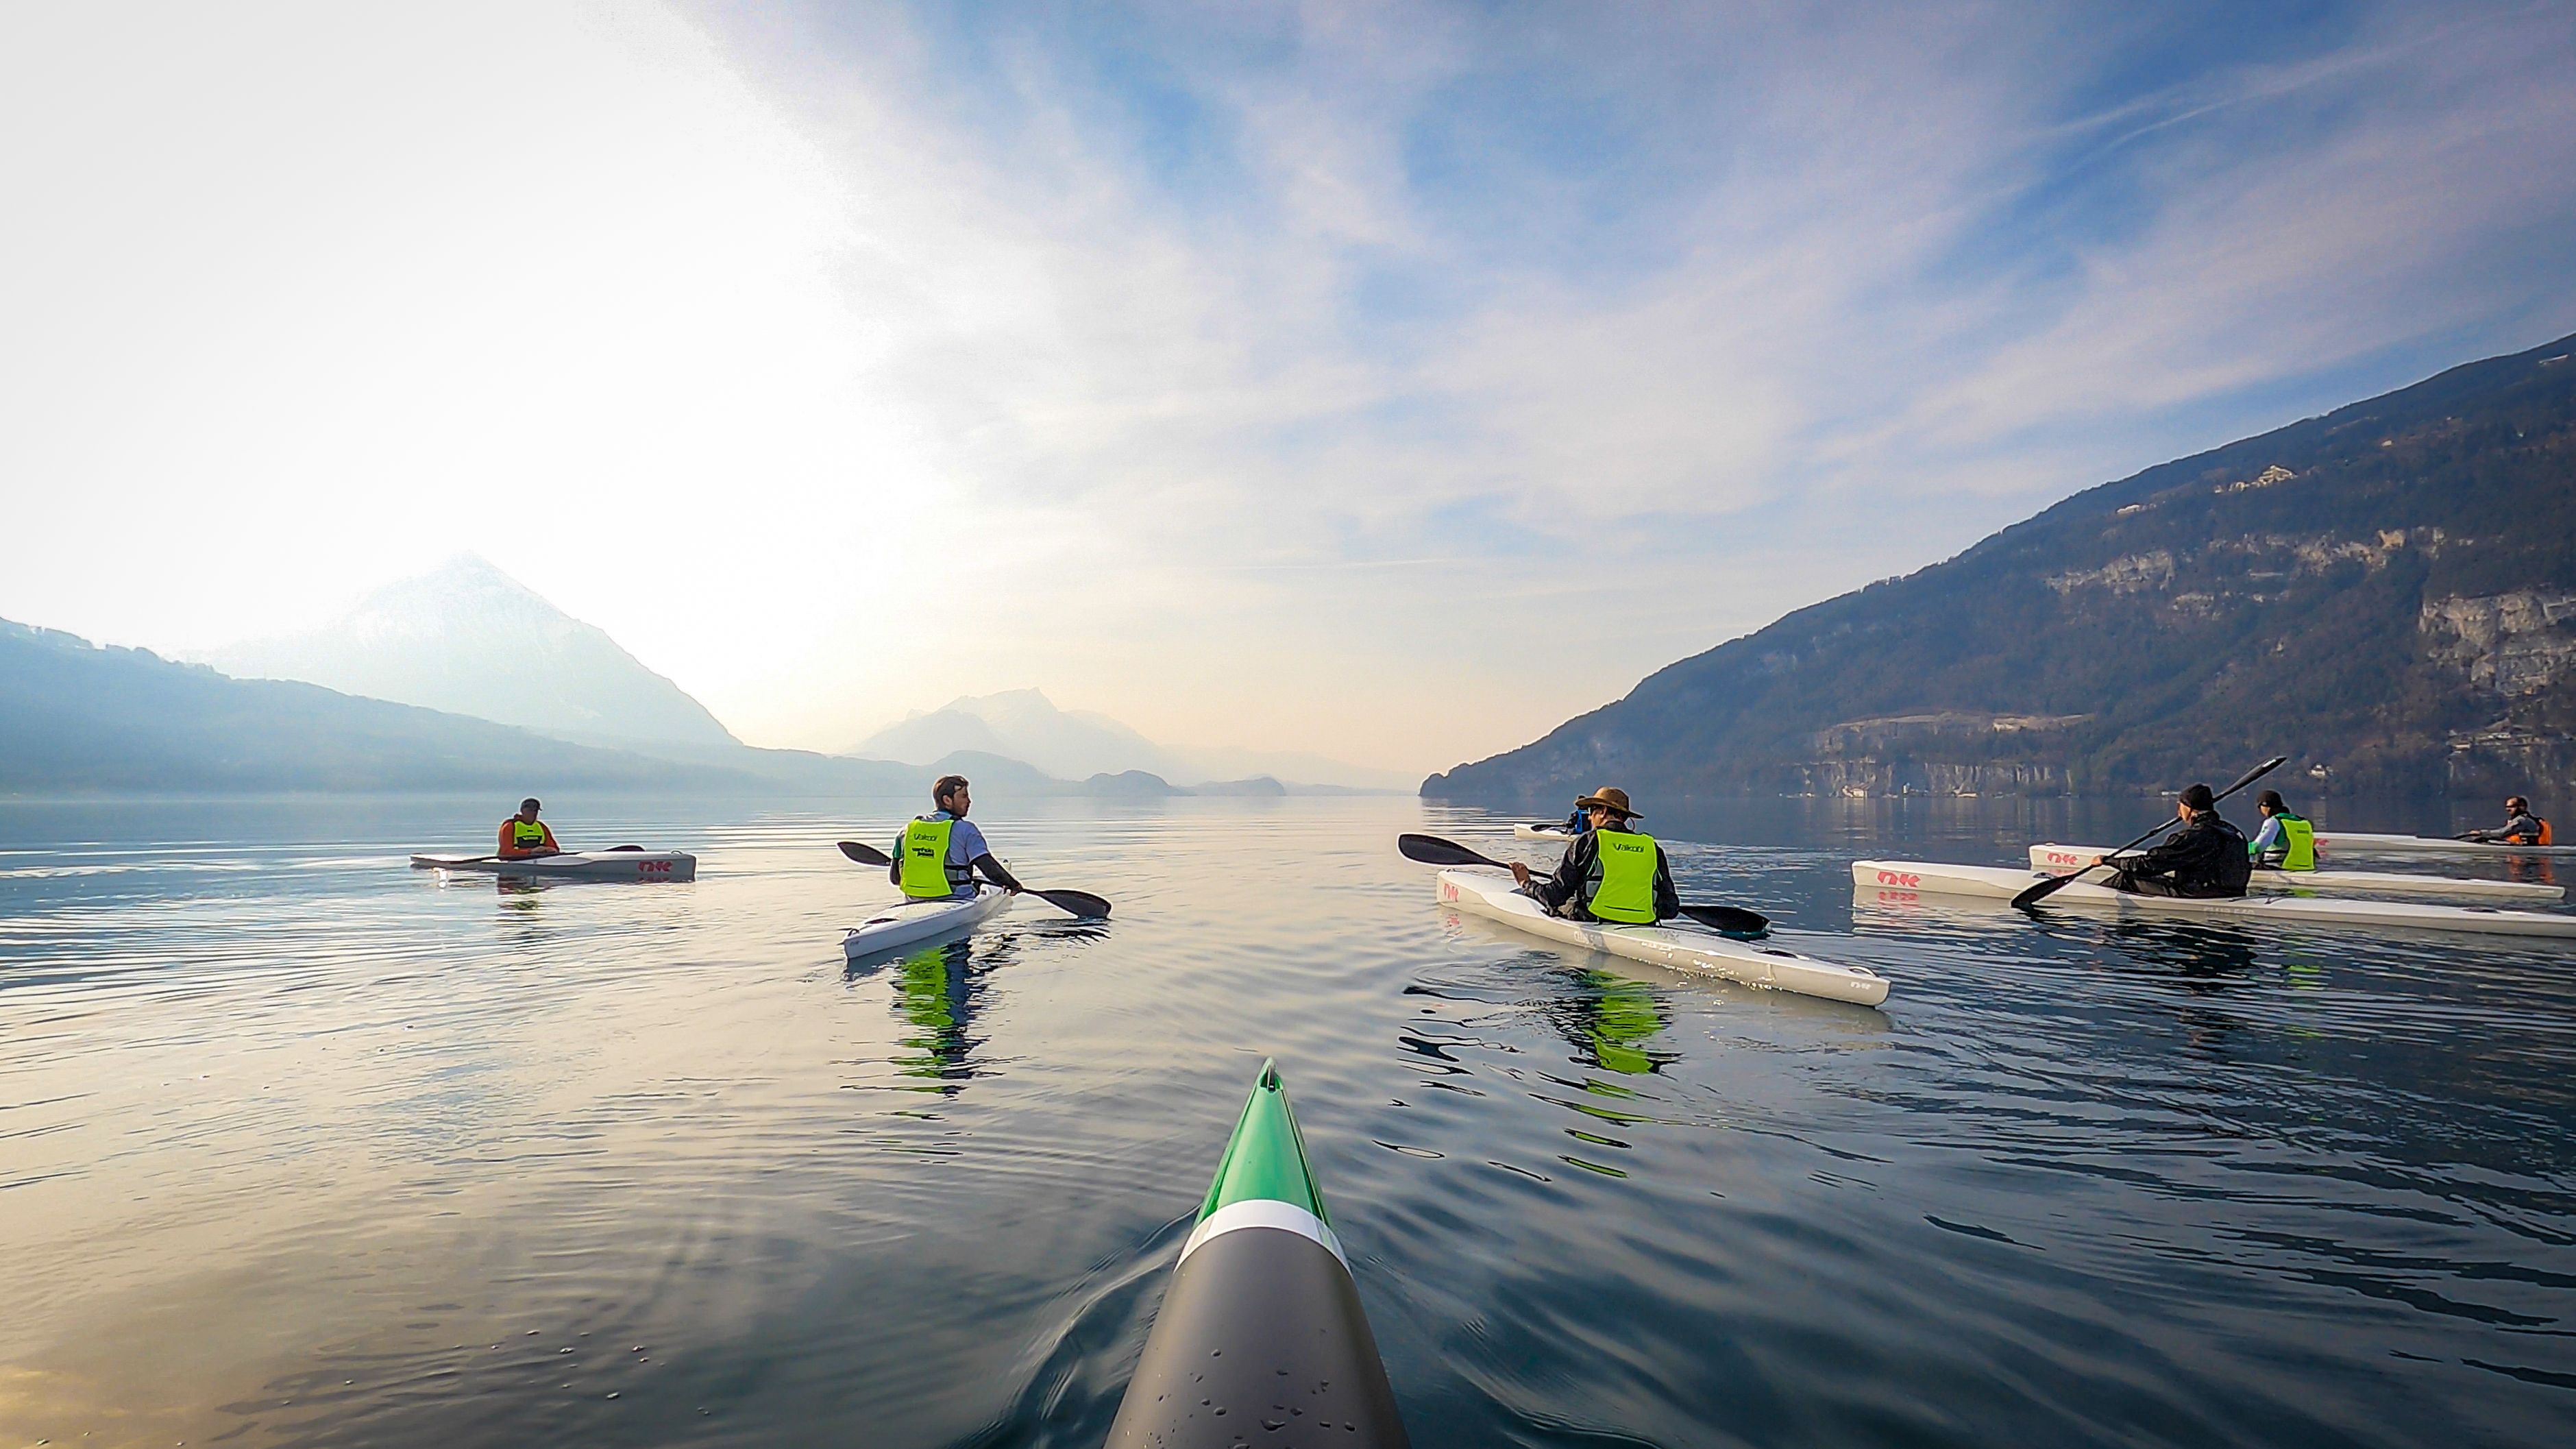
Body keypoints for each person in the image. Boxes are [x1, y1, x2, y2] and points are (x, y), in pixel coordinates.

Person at [1509, 786, 1679, 923]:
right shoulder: (1653, 848)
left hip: (1592, 920)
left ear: (1603, 811)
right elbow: (1670, 909)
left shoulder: (1587, 842)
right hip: (1643, 924)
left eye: (1591, 811)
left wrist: (1527, 883)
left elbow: (1554, 896)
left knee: (1562, 903)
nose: (1589, 818)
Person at [890, 775, 1025, 901]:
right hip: (957, 899)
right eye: (964, 796)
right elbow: (988, 867)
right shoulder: (966, 830)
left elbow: (895, 879)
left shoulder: (905, 831)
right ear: (947, 800)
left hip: (913, 900)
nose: (969, 801)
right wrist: (1013, 884)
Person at [2105, 783, 2253, 899]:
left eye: (2180, 807)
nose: (2178, 813)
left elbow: (2149, 864)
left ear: (2189, 809)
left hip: (2199, 894)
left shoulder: (2193, 836)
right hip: (2234, 892)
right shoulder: (2233, 831)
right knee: (2158, 877)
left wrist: (2109, 861)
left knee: (2127, 878)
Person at [2245, 790, 2316, 870]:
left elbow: (2258, 847)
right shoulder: (2305, 823)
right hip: (2306, 868)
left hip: (2278, 867)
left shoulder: (2273, 822)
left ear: (2265, 806)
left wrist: (2241, 848)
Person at [2462, 796, 2553, 846]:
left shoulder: (2522, 820)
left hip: (2529, 852)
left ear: (2521, 808)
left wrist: (2481, 833)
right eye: (2507, 807)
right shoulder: (2525, 819)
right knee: (2485, 839)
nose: (2507, 809)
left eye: (2511, 807)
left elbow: (2502, 834)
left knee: (2482, 839)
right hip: (2526, 847)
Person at [496, 798, 561, 859]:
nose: (534, 813)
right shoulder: (510, 827)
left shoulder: (542, 826)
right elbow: (505, 853)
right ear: (522, 811)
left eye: (536, 810)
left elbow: (554, 848)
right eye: (530, 810)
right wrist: (531, 851)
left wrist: (552, 850)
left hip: (540, 860)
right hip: (515, 861)